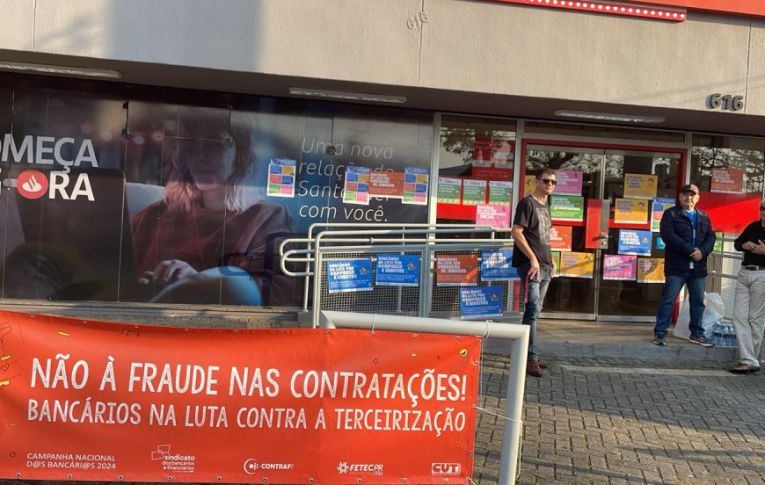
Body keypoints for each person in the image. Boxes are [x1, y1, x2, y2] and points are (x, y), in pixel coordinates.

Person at [131, 108, 296, 306]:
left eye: (215, 144)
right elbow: (116, 281)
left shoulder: (267, 217)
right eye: (192, 145)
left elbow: (277, 299)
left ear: (240, 155)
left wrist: (198, 284)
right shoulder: (154, 216)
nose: (200, 155)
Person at [653, 183, 716, 347]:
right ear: (680, 197)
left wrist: (702, 252)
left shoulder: (704, 216)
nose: (689, 198)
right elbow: (668, 236)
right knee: (668, 300)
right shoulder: (671, 214)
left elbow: (711, 237)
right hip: (677, 267)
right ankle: (660, 333)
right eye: (685, 195)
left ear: (698, 198)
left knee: (698, 302)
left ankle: (696, 334)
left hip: (698, 268)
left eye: (692, 195)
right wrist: (690, 251)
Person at [512, 168, 556, 377]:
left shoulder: (546, 206)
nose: (550, 185)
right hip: (532, 266)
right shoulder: (527, 203)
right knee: (531, 310)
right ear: (536, 182)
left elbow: (545, 236)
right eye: (546, 181)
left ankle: (527, 355)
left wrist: (552, 260)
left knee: (536, 311)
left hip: (546, 265)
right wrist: (532, 259)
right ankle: (531, 358)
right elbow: (516, 232)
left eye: (553, 182)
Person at [728, 200, 765, 373]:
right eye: (762, 208)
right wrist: (744, 245)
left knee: (755, 318)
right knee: (738, 316)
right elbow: (737, 243)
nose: (764, 212)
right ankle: (750, 359)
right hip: (745, 272)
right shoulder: (753, 227)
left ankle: (749, 359)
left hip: (762, 274)